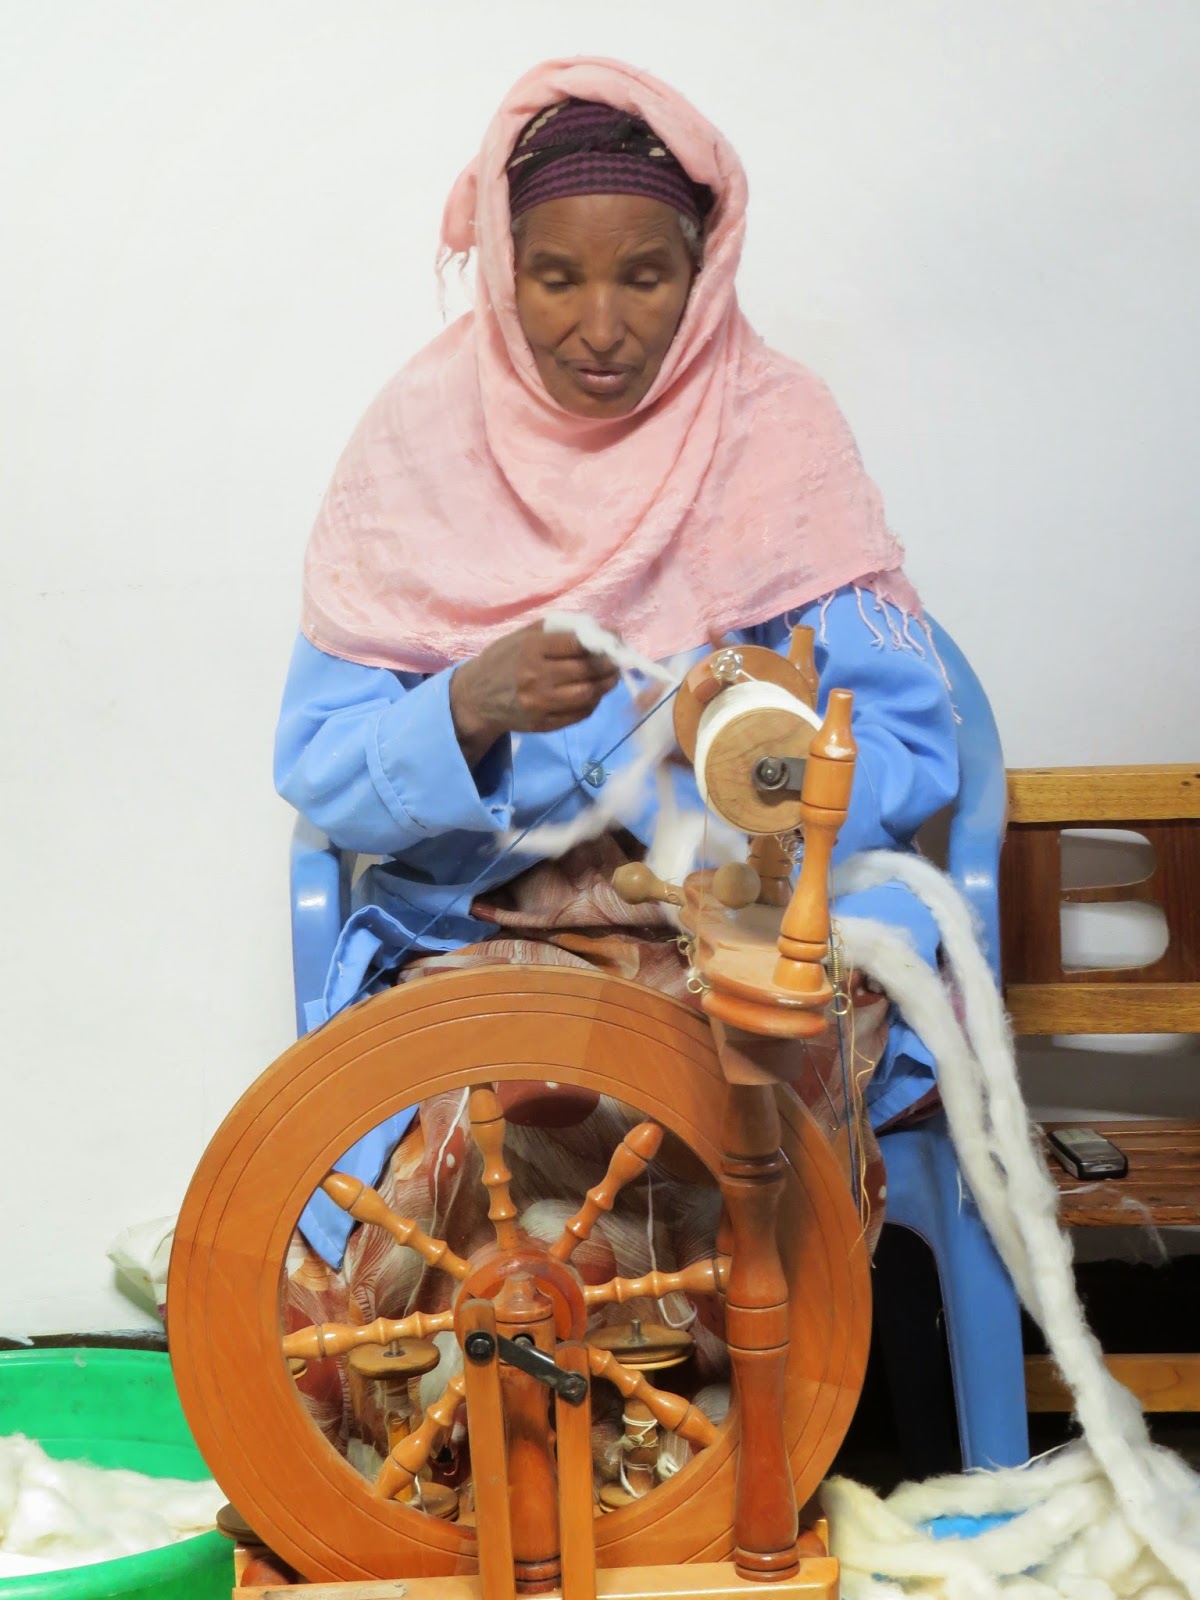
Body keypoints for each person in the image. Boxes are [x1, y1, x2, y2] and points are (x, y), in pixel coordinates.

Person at [275, 60, 957, 1269]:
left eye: (646, 276)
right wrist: (467, 706)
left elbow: (912, 750)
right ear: (501, 271)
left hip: (746, 920)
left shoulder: (777, 437)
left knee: (734, 1075)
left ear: (703, 275)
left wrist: (745, 742)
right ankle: (519, 1417)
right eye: (556, 276)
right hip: (486, 928)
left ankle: (722, 1426)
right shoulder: (417, 453)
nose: (601, 325)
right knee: (505, 1105)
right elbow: (319, 772)